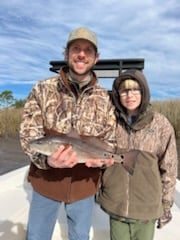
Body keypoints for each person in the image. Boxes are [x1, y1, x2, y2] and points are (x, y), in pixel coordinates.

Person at [19, 27, 116, 240]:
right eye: (76, 48)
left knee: (80, 236)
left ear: (95, 58)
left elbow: (110, 140)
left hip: (84, 187)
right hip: (46, 184)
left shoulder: (104, 98)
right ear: (66, 53)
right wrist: (47, 162)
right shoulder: (42, 89)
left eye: (88, 50)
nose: (81, 54)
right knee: (36, 236)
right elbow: (28, 137)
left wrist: (103, 161)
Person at [98, 69, 178, 240]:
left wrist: (165, 203)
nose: (130, 95)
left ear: (144, 92)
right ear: (118, 94)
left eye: (135, 89)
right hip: (116, 205)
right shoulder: (110, 122)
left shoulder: (160, 124)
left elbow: (169, 168)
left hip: (146, 209)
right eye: (124, 90)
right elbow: (99, 157)